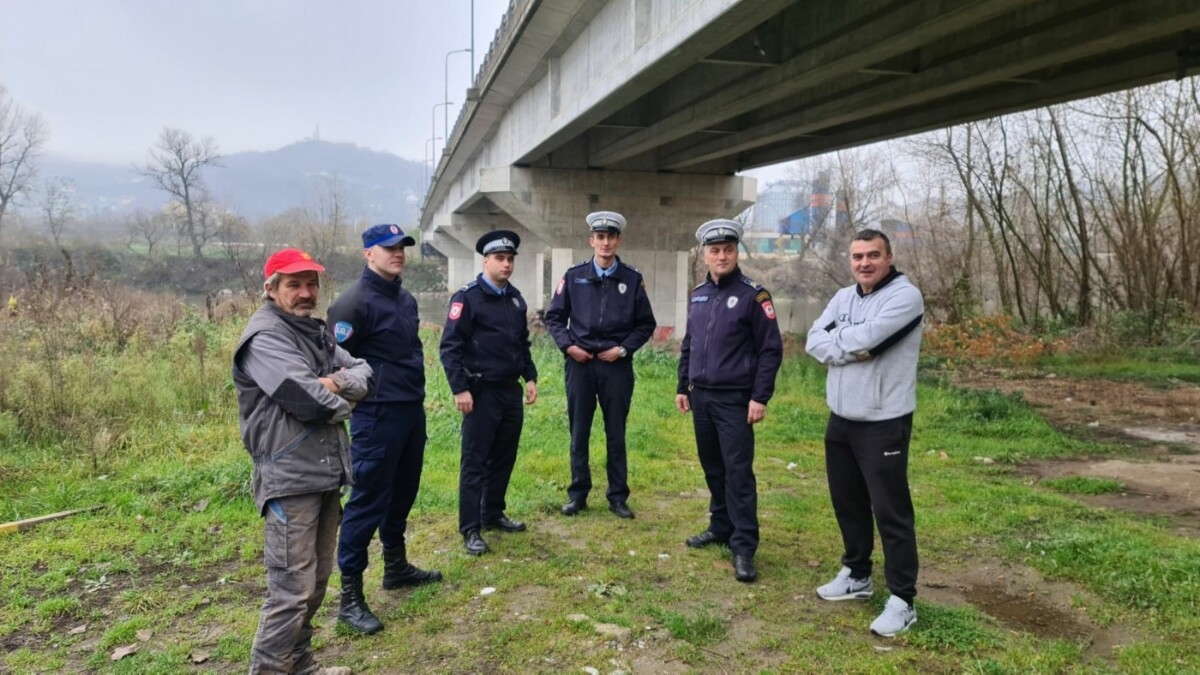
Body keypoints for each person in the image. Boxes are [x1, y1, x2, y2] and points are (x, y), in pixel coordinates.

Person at [232, 248, 373, 675]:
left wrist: (334, 382)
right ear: (270, 288)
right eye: (294, 284)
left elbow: (365, 372)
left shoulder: (314, 331)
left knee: (315, 584)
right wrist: (344, 398)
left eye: (311, 284)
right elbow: (308, 401)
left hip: (325, 471)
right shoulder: (265, 338)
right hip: (289, 478)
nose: (306, 292)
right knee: (290, 592)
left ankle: (301, 665)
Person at [805, 228, 924, 637]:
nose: (864, 263)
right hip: (841, 417)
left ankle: (903, 600)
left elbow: (872, 340)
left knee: (891, 512)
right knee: (848, 502)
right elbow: (814, 341)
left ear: (889, 257)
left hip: (883, 420)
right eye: (857, 256)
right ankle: (857, 575)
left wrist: (841, 344)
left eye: (873, 255)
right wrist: (850, 347)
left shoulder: (904, 297)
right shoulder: (844, 297)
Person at [327, 224, 442, 636]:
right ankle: (350, 597)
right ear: (368, 254)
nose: (398, 253)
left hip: (410, 410)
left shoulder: (405, 299)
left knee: (404, 490)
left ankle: (396, 566)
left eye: (402, 247)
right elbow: (336, 364)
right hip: (376, 416)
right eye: (388, 247)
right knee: (368, 499)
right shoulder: (351, 304)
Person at [676, 219, 782, 583]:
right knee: (713, 467)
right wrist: (682, 385)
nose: (721, 256)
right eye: (715, 250)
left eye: (728, 250)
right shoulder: (699, 294)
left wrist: (760, 396)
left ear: (736, 252)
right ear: (705, 254)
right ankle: (720, 526)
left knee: (738, 473)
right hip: (701, 397)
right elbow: (690, 343)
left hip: (735, 400)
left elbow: (770, 350)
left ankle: (744, 546)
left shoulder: (755, 296)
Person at [544, 211, 657, 520]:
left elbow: (645, 324)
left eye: (611, 237)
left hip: (615, 367)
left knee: (616, 433)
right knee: (579, 432)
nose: (606, 243)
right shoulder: (574, 276)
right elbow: (554, 317)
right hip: (580, 365)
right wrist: (569, 347)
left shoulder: (631, 279)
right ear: (591, 241)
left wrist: (622, 349)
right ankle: (577, 494)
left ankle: (618, 497)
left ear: (618, 241)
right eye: (600, 237)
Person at [439, 230, 538, 556]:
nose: (506, 264)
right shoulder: (467, 298)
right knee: (475, 461)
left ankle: (492, 512)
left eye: (510, 259)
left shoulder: (515, 299)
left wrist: (530, 376)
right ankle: (470, 528)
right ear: (486, 261)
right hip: (480, 393)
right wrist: (460, 388)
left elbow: (521, 344)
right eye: (499, 258)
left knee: (504, 456)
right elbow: (450, 347)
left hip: (510, 391)